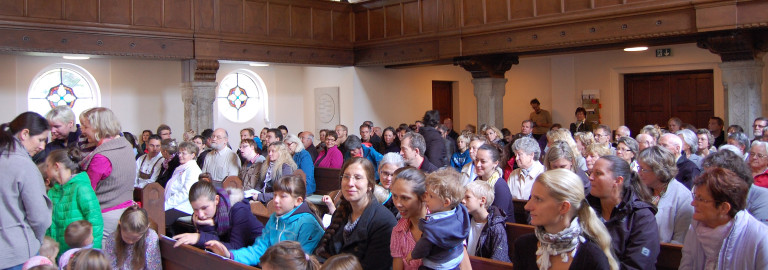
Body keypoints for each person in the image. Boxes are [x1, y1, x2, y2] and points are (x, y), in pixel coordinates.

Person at [207, 175, 325, 266]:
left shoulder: (308, 224)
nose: (276, 200)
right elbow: (260, 250)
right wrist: (230, 254)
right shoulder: (275, 218)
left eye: (283, 196)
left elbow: (300, 262)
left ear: (298, 201)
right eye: (274, 195)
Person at [514, 169, 617, 270]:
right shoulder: (524, 246)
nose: (527, 206)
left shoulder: (592, 257)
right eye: (531, 197)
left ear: (564, 207)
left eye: (538, 199)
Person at [314, 158, 398, 269]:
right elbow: (324, 252)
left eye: (358, 178)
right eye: (346, 177)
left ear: (370, 185)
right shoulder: (341, 212)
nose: (350, 183)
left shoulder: (384, 221)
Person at [680, 168, 768, 270]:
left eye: (700, 199)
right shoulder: (695, 228)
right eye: (695, 196)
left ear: (724, 208)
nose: (693, 203)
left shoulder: (761, 239)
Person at [587, 156, 659, 270]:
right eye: (591, 173)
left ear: (618, 180)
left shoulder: (642, 217)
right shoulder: (585, 209)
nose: (590, 178)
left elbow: (637, 265)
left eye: (598, 173)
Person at [78, 107, 136, 242]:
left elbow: (87, 192)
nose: (83, 130)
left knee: (102, 259)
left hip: (105, 215)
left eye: (86, 127)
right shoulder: (124, 144)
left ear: (98, 127)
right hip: (126, 208)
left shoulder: (102, 157)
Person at [172, 181, 263, 250]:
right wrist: (208, 227)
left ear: (216, 199)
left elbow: (235, 248)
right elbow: (213, 246)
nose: (200, 214)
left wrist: (199, 238)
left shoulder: (239, 210)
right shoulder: (203, 216)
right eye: (195, 209)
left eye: (204, 208)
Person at [407, 169, 469, 270]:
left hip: (438, 265)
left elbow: (422, 248)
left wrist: (412, 255)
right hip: (456, 257)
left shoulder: (433, 229)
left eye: (431, 196)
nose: (426, 198)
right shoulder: (460, 211)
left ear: (446, 202)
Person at [45, 148, 104, 254]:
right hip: (60, 253)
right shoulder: (52, 192)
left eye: (47, 166)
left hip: (81, 253)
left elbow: (95, 221)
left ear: (56, 166)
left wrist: (92, 251)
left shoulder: (81, 188)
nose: (46, 170)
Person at [636, 146, 693, 244]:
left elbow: (680, 239)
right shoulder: (640, 189)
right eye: (639, 168)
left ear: (659, 171)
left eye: (643, 169)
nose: (639, 173)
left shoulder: (682, 196)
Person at [701, 150, 768, 226]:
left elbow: (759, 233)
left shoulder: (763, 197)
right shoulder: (712, 195)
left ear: (731, 177)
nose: (707, 182)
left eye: (712, 177)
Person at [462, 181, 509, 262]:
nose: (463, 201)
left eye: (468, 197)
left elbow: (499, 259)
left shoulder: (496, 227)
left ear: (482, 200)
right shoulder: (464, 220)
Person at [164, 141, 201, 234]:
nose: (180, 155)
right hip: (173, 203)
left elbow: (186, 193)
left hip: (183, 207)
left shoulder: (193, 170)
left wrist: (167, 204)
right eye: (179, 153)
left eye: (183, 153)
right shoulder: (180, 167)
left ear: (193, 155)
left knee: (160, 220)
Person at [474, 144, 516, 223]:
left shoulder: (500, 186)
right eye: (476, 160)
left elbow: (498, 218)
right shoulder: (476, 181)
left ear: (495, 163)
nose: (478, 164)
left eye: (483, 161)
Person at [376, 153, 406, 217]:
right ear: (379, 170)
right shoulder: (370, 187)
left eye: (393, 175)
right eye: (385, 173)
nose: (388, 178)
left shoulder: (401, 200)